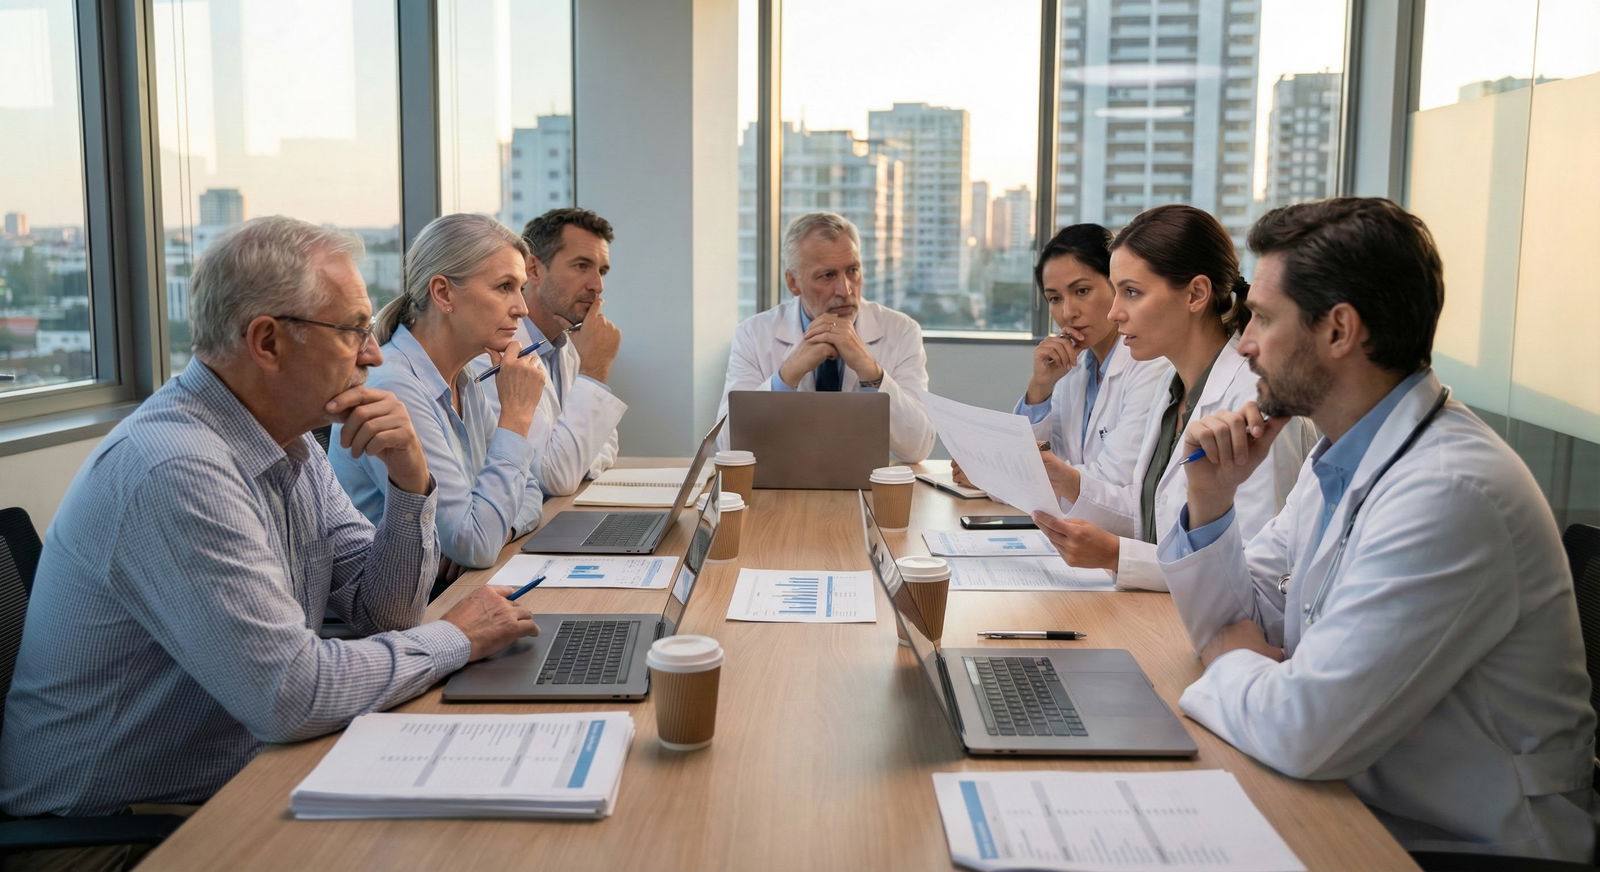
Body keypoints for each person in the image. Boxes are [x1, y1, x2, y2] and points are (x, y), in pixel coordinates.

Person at [0, 218, 540, 841]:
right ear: (267, 341)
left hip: (236, 778)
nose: (374, 354)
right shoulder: (177, 468)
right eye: (354, 331)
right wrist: (455, 638)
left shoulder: (290, 445)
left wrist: (410, 483)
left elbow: (382, 612)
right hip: (114, 831)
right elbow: (293, 695)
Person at [1158, 197, 1596, 861]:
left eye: (1264, 319)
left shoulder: (1449, 493)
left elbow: (1303, 730)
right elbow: (1250, 616)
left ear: (1339, 331)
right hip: (1358, 798)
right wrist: (1212, 499)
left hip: (1470, 846)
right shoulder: (1343, 454)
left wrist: (1230, 658)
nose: (1244, 343)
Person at [1032, 205, 1316, 591]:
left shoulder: (1257, 402)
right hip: (1162, 614)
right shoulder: (1173, 386)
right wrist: (1063, 480)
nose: (1115, 313)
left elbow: (1261, 572)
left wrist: (1119, 556)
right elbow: (1148, 517)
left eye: (1131, 292)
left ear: (1196, 294)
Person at [332, 213, 549, 575]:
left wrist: (498, 530)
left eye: (520, 288)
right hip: (400, 613)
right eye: (504, 287)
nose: (522, 308)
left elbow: (529, 494)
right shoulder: (394, 387)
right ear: (443, 293)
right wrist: (517, 416)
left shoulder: (466, 379)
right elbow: (475, 544)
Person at [717, 211, 934, 463]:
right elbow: (729, 446)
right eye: (827, 276)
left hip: (867, 488)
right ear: (793, 282)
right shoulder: (753, 334)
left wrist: (870, 370)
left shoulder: (901, 330)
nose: (845, 289)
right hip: (780, 484)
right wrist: (786, 376)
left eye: (852, 270)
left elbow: (918, 447)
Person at [997, 224, 1170, 490]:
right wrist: (1040, 388)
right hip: (1066, 522)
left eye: (1081, 291)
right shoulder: (1071, 367)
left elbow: (1114, 480)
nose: (1068, 313)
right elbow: (1043, 454)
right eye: (1054, 298)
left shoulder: (1151, 366)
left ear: (1117, 286)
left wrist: (1001, 476)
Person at [499, 208, 627, 496]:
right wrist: (595, 370)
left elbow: (607, 445)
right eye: (582, 266)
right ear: (533, 270)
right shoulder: (500, 354)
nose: (598, 285)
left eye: (602, 270)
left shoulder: (568, 345)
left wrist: (575, 461)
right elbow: (553, 479)